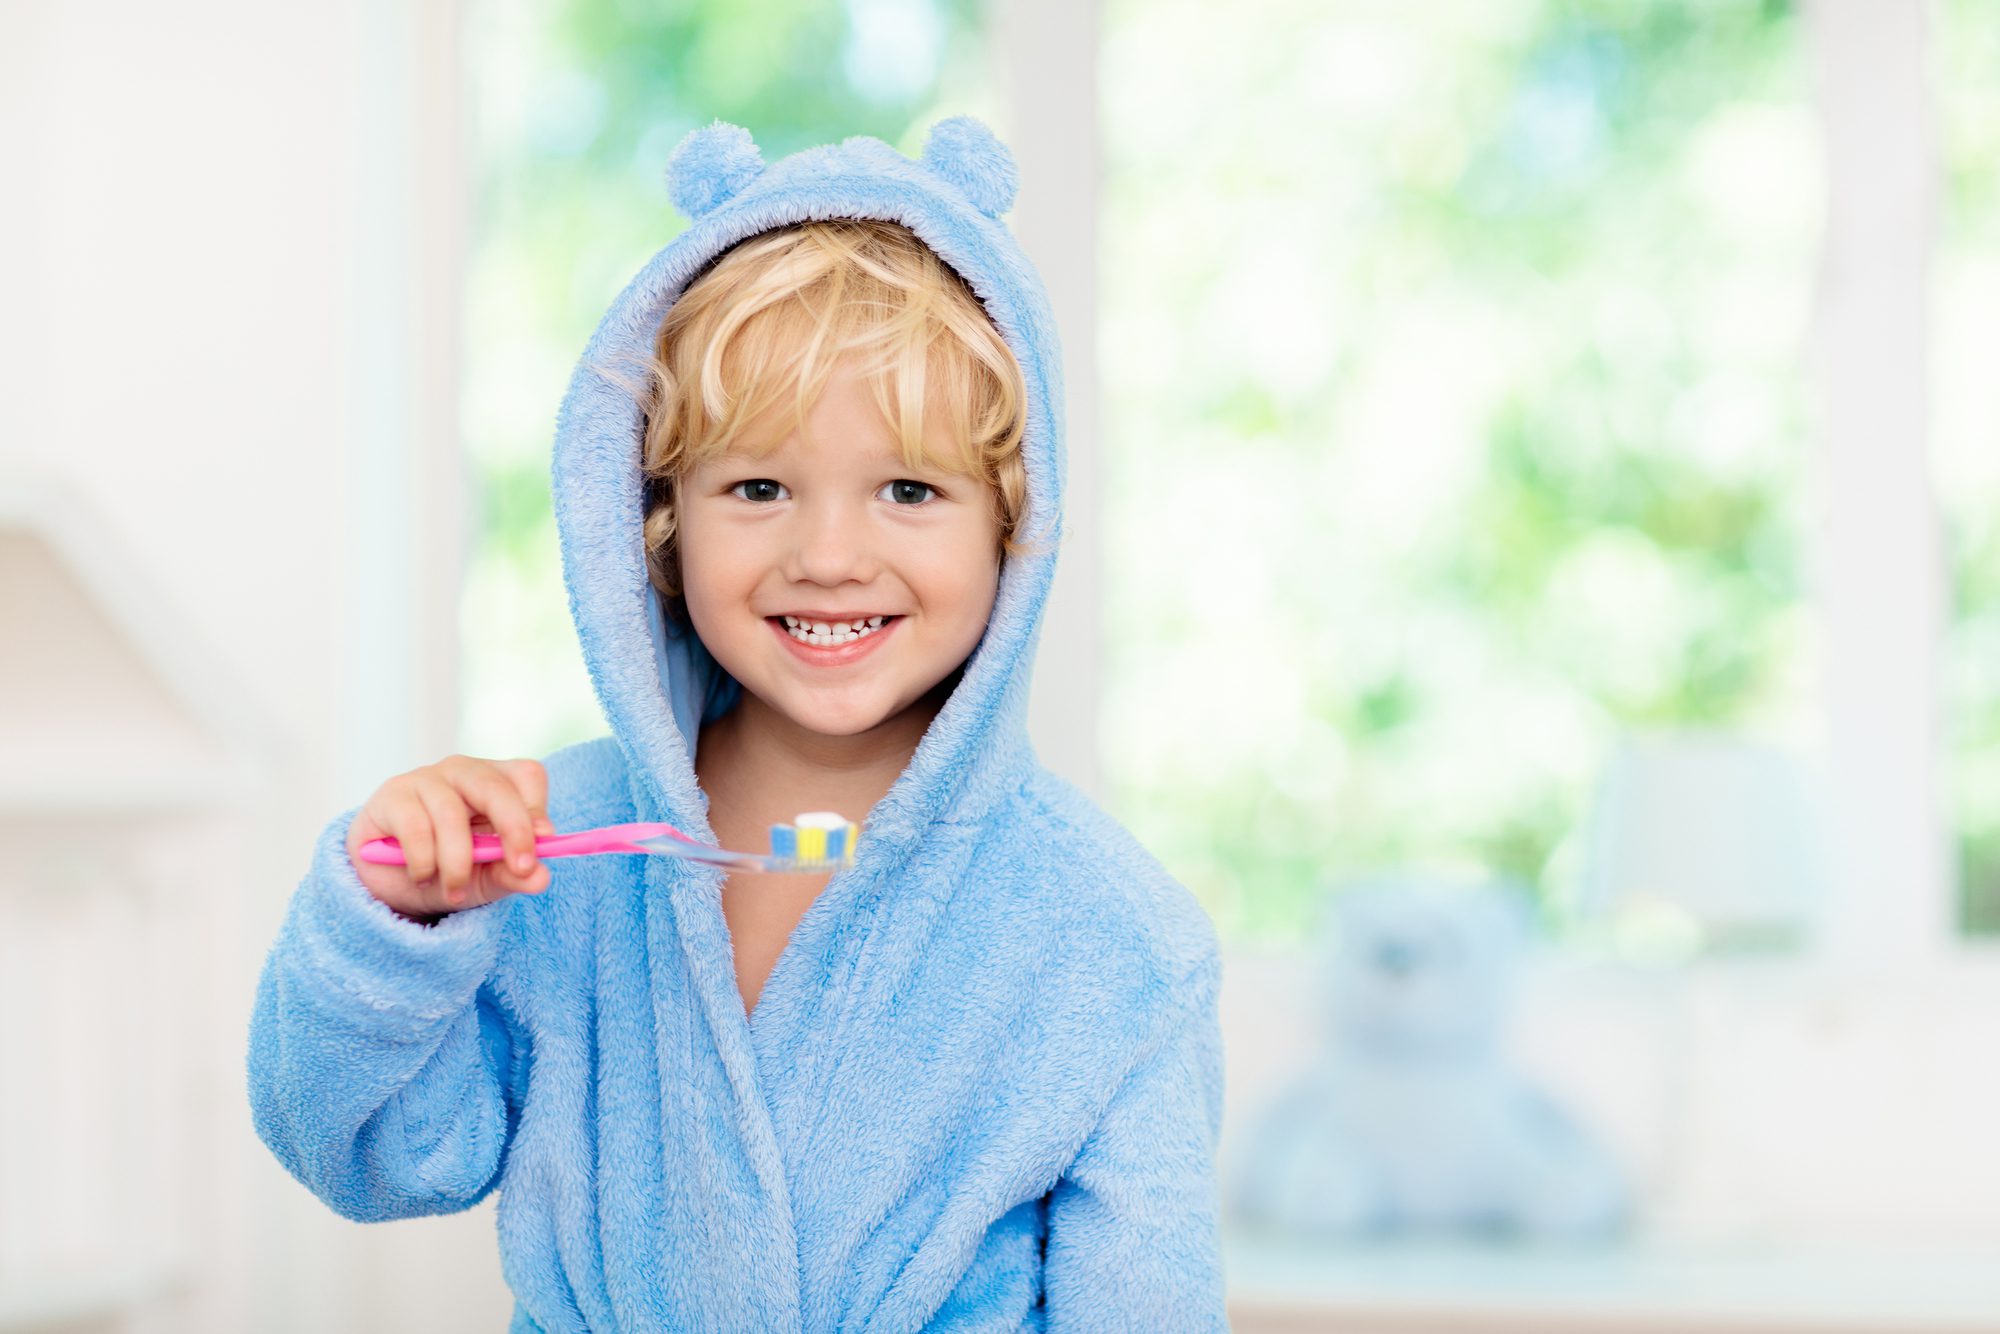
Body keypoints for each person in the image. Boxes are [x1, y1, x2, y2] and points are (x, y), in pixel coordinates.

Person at [246, 115, 1227, 1331]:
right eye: (756, 486)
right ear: (658, 520)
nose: (826, 554)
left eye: (909, 489)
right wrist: (396, 921)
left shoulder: (1109, 944)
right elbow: (369, 1154)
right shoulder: (552, 850)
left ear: (1013, 525)